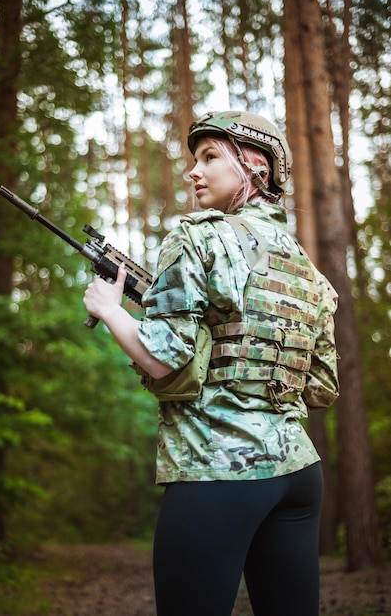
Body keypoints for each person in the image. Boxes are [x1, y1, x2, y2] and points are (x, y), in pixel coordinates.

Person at [83, 110, 339, 616]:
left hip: (216, 471)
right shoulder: (308, 271)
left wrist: (111, 310)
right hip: (299, 474)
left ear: (256, 167)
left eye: (210, 157)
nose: (193, 172)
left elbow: (162, 360)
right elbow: (321, 387)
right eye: (194, 160)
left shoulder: (196, 236)